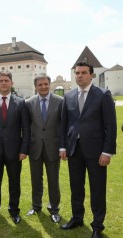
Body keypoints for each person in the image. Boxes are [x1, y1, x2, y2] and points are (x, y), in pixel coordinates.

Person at [59, 61, 116, 238]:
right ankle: (77, 218)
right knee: (76, 187)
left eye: (84, 73)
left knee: (97, 189)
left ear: (91, 75)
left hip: (96, 152)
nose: (80, 76)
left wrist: (107, 151)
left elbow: (111, 126)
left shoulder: (103, 95)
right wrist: (63, 146)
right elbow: (64, 124)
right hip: (74, 150)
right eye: (77, 73)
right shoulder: (68, 96)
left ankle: (97, 226)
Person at [0, 70, 29, 224]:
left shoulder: (20, 102)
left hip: (15, 152)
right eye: (1, 80)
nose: (3, 83)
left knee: (14, 182)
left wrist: (23, 150)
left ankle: (14, 210)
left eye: (6, 80)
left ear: (11, 83)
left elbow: (25, 129)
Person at [25, 74, 63, 223]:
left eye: (45, 84)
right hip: (35, 147)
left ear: (50, 84)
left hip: (53, 147)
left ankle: (54, 209)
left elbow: (63, 126)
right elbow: (26, 127)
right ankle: (36, 206)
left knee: (53, 179)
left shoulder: (60, 102)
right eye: (40, 85)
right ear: (35, 86)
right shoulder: (28, 103)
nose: (43, 87)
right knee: (36, 179)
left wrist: (62, 147)